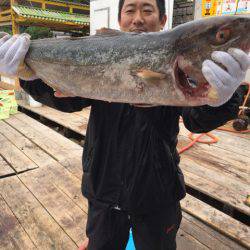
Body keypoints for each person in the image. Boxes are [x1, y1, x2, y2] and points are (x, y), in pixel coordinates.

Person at [0, 0, 249, 249]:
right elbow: (66, 102)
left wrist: (224, 98)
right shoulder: (102, 52)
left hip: (157, 194)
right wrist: (25, 75)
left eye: (148, 10)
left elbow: (197, 122)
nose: (138, 18)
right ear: (120, 20)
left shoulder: (181, 67)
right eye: (130, 10)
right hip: (102, 189)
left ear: (163, 21)